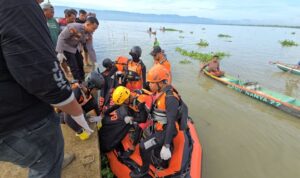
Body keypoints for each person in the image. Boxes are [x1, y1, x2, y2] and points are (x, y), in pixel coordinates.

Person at [0, 0, 95, 177]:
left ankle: (54, 159)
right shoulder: (18, 5)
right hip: (16, 120)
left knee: (49, 153)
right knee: (46, 160)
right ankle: (51, 162)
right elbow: (42, 73)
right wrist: (78, 114)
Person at [130, 65, 181, 178]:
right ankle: (162, 161)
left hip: (166, 130)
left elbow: (171, 123)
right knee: (157, 148)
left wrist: (167, 145)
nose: (149, 85)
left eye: (152, 83)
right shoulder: (159, 92)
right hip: (159, 127)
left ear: (160, 82)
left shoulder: (170, 98)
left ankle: (144, 171)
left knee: (143, 146)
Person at [61, 72, 104, 141]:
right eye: (96, 89)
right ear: (91, 86)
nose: (97, 92)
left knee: (91, 102)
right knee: (63, 119)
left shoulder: (86, 88)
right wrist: (81, 131)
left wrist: (98, 117)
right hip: (64, 109)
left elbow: (94, 103)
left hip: (77, 104)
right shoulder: (76, 92)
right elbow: (67, 118)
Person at [111, 86, 152, 158]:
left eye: (123, 102)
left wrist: (132, 119)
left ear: (126, 99)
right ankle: (132, 125)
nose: (123, 104)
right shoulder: (130, 95)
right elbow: (116, 106)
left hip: (150, 114)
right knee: (126, 109)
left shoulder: (139, 102)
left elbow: (143, 119)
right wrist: (104, 114)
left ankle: (132, 148)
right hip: (142, 110)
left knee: (140, 126)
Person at [56, 16, 99, 82]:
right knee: (74, 67)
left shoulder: (89, 34)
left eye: (95, 29)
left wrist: (95, 61)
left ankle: (82, 79)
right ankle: (79, 83)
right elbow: (61, 37)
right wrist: (60, 52)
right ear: (88, 24)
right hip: (66, 47)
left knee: (81, 64)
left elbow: (90, 48)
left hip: (75, 48)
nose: (94, 31)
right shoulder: (73, 27)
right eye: (93, 28)